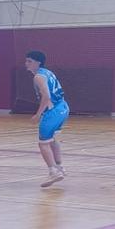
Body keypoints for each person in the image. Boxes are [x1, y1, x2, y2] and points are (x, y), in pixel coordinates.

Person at [26, 50, 69, 186]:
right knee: (53, 140)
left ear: (38, 62)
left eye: (29, 61)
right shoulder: (48, 72)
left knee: (43, 143)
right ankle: (59, 167)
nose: (26, 64)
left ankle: (53, 172)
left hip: (53, 112)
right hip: (63, 108)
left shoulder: (38, 77)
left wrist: (38, 114)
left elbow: (46, 96)